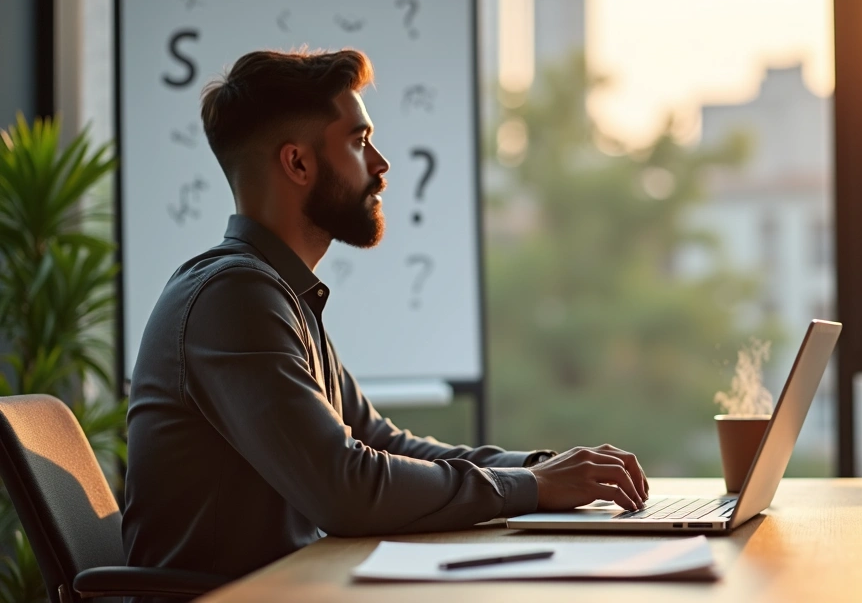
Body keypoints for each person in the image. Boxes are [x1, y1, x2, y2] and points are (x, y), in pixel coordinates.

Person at [123, 49, 649, 583]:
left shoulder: (276, 292)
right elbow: (346, 488)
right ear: (297, 163)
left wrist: (537, 469)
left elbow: (382, 444)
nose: (381, 164)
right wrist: (534, 488)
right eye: (358, 142)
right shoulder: (232, 298)